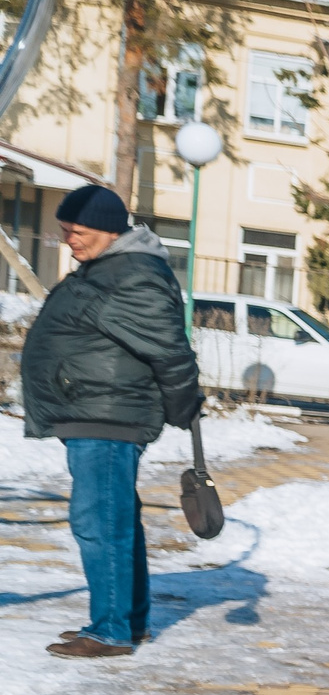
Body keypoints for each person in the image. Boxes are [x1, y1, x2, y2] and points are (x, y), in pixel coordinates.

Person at [18, 183, 203, 660]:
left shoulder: (132, 273)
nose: (68, 241)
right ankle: (126, 620)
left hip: (109, 415)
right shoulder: (109, 269)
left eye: (75, 231)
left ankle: (111, 630)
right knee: (114, 519)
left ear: (104, 228)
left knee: (100, 521)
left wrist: (185, 405)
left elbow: (168, 347)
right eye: (64, 232)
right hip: (95, 412)